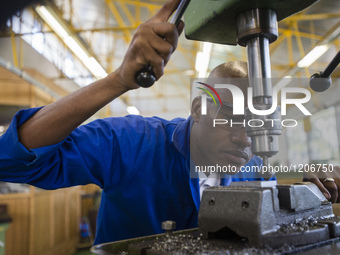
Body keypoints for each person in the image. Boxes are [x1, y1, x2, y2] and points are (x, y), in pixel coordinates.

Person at [1, 0, 340, 246]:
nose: (244, 139)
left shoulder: (252, 169)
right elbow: (12, 161)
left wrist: (310, 193)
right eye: (230, 119)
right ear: (197, 108)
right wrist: (118, 80)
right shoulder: (134, 144)